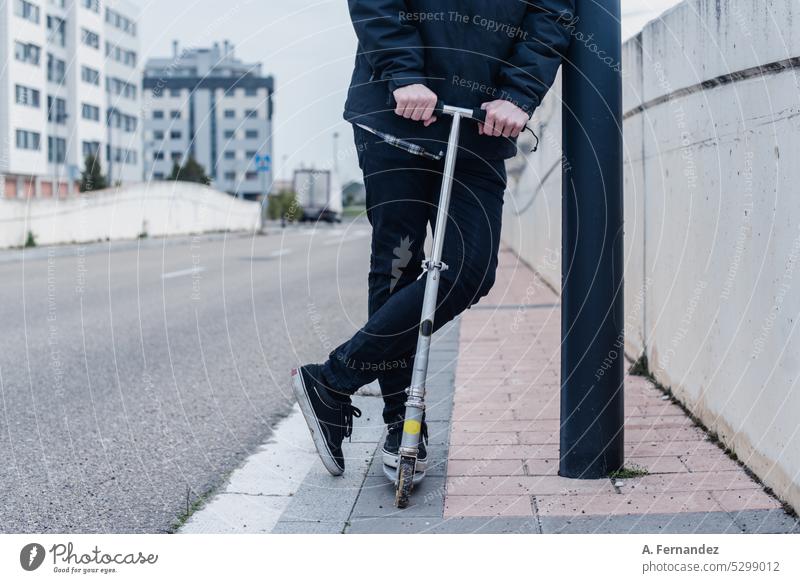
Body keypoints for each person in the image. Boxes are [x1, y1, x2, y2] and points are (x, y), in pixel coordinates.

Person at [292, 0, 573, 476]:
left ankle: (334, 379)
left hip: (482, 122)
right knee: (397, 268)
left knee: (472, 270)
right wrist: (403, 73)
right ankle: (402, 427)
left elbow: (552, 12)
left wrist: (519, 94)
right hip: (396, 114)